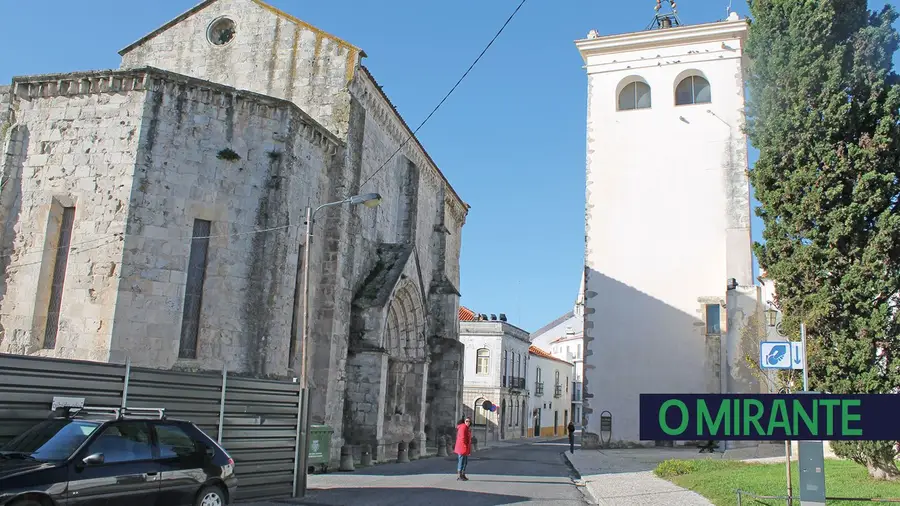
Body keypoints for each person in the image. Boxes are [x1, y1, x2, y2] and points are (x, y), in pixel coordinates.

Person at [454, 416, 472, 480]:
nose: (468, 422)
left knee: (465, 462)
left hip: (465, 447)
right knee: (461, 461)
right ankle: (460, 475)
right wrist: (464, 446)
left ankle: (463, 474)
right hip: (462, 447)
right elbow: (462, 438)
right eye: (466, 421)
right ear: (464, 421)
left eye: (469, 421)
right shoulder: (463, 427)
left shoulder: (467, 428)